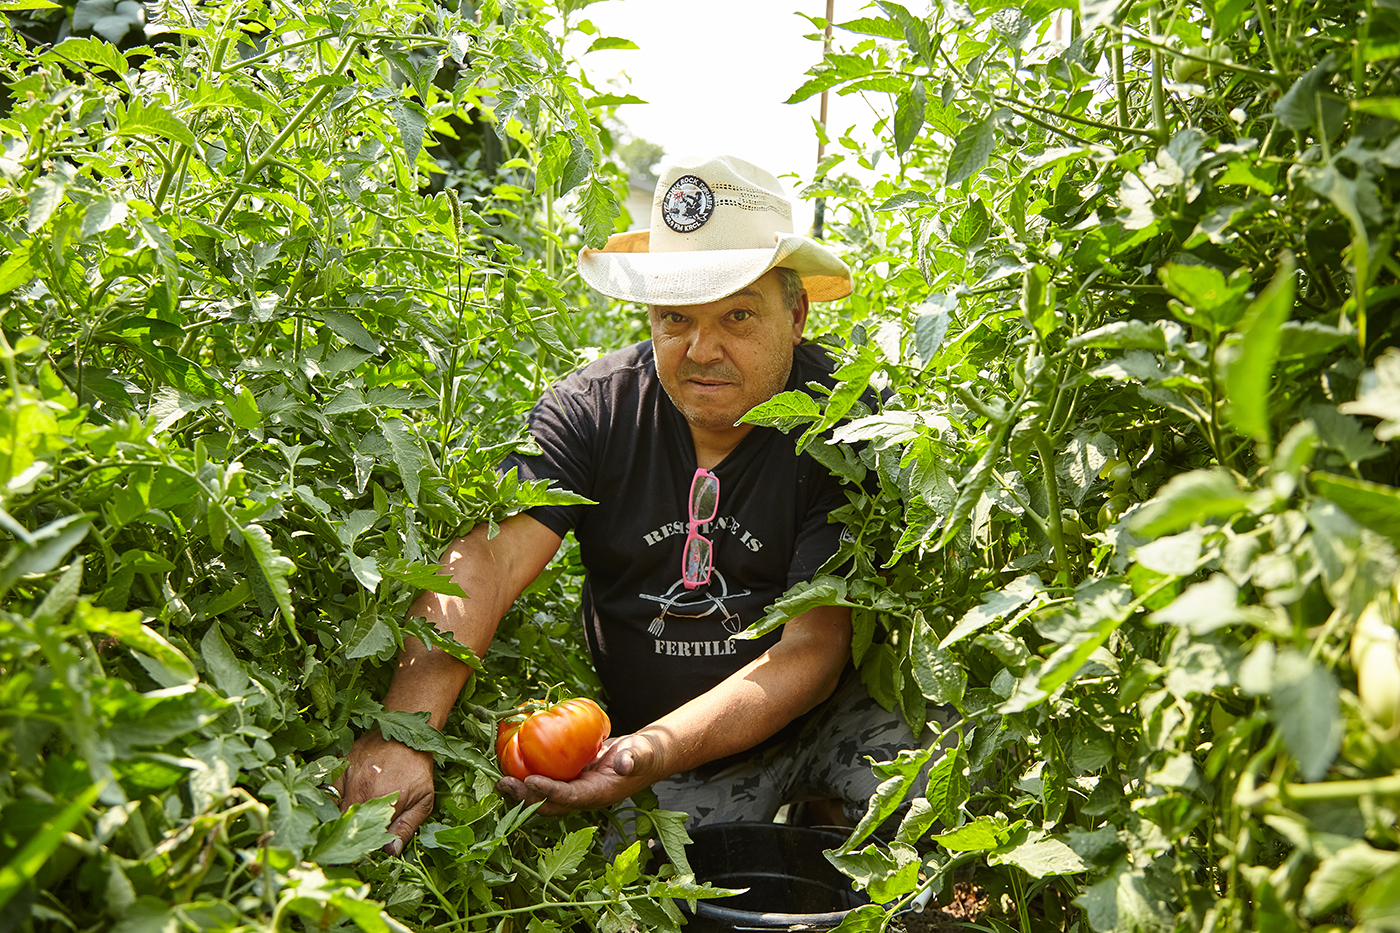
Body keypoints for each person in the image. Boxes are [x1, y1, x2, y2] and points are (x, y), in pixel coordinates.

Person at [337, 155, 931, 854]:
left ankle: (828, 817)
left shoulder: (845, 419)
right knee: (651, 884)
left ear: (796, 314)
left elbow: (813, 650)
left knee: (933, 794)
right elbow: (488, 562)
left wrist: (644, 752)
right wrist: (404, 730)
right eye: (675, 317)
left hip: (829, 715)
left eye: (738, 314)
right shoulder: (594, 411)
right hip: (682, 743)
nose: (702, 349)